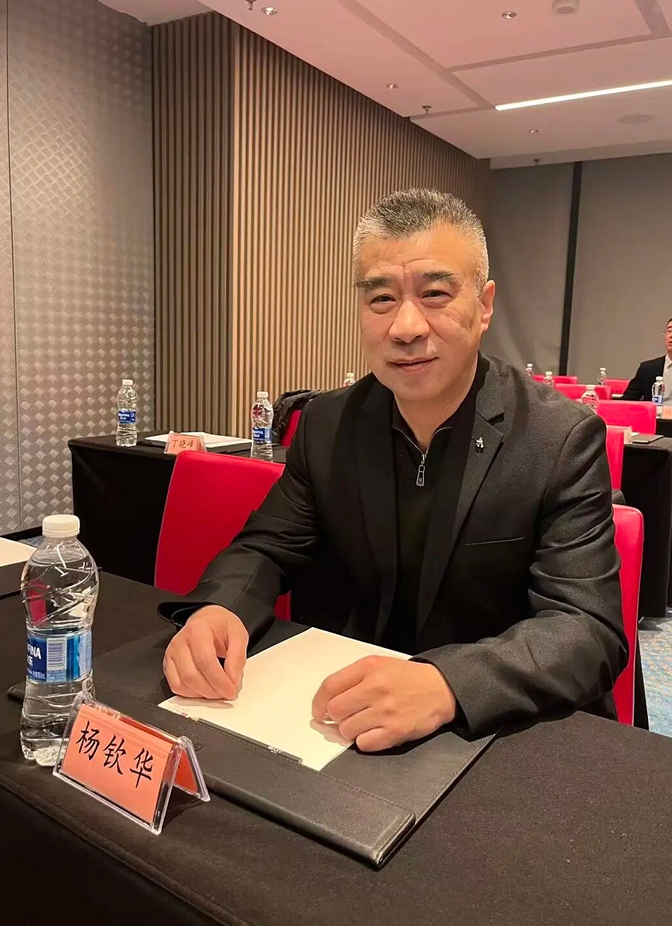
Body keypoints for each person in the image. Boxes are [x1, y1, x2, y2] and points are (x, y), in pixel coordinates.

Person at [162, 189, 627, 749]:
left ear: (484, 305)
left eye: (435, 294)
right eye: (381, 298)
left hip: (490, 734)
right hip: (345, 718)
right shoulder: (327, 423)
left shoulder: (558, 437)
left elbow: (586, 628)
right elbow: (268, 546)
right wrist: (220, 610)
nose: (406, 327)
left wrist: (448, 683)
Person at [622, 320, 672, 402]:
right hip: (656, 410)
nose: (671, 335)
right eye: (669, 331)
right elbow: (626, 402)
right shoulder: (647, 369)